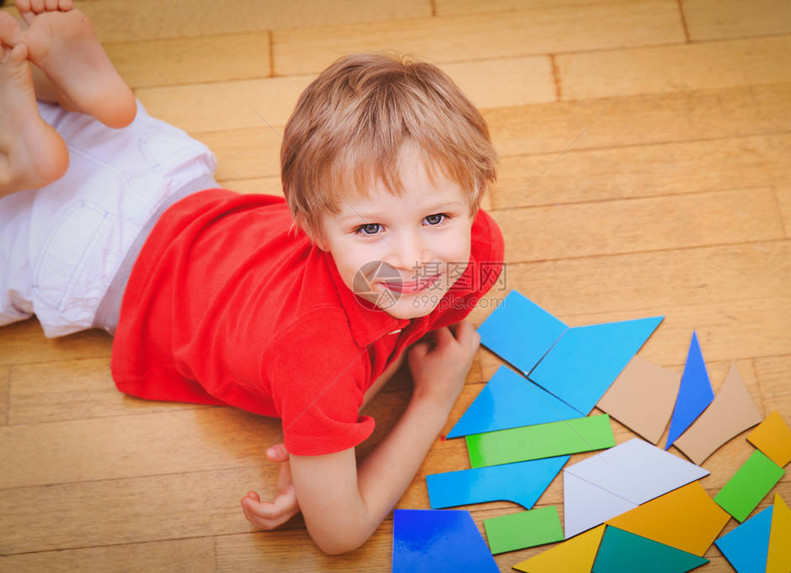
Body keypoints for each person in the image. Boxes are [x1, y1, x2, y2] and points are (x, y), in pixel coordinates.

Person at [0, 0, 504, 555]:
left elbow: (360, 358)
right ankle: (27, 143)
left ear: (475, 200)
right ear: (311, 228)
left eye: (435, 219)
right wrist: (434, 397)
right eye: (370, 228)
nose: (412, 260)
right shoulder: (319, 351)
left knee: (82, 132)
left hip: (166, 181)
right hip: (75, 252)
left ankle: (54, 113)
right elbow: (340, 534)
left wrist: (313, 433)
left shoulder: (472, 249)